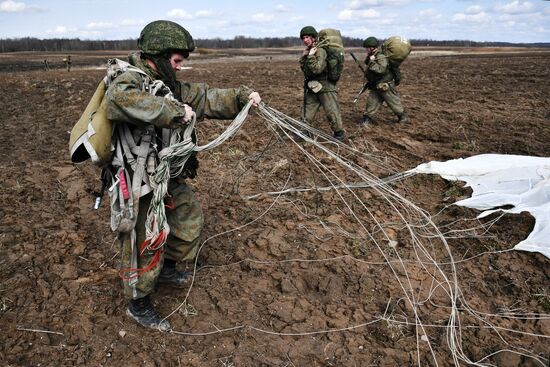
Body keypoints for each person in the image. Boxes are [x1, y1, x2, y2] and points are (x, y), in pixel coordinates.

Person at [103, 20, 261, 331]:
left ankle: (167, 268)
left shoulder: (170, 84)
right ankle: (138, 302)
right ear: (158, 56)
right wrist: (175, 112)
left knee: (188, 218)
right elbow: (119, 102)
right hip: (139, 179)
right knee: (142, 239)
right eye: (177, 61)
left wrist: (242, 97)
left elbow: (205, 98)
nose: (179, 67)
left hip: (165, 174)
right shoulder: (128, 80)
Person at [299, 26, 345, 141]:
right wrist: (304, 57)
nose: (305, 40)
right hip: (312, 86)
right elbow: (306, 70)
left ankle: (339, 134)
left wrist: (310, 56)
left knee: (332, 112)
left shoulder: (320, 51)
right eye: (303, 38)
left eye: (308, 37)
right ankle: (304, 132)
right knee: (307, 112)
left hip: (326, 87)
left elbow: (317, 69)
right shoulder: (310, 50)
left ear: (314, 38)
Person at [360, 36, 408, 125]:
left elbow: (381, 69)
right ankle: (367, 119)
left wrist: (372, 63)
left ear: (372, 48)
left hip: (385, 85)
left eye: (367, 48)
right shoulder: (374, 56)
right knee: (372, 102)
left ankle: (402, 117)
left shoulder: (381, 56)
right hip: (376, 84)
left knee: (393, 102)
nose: (366, 50)